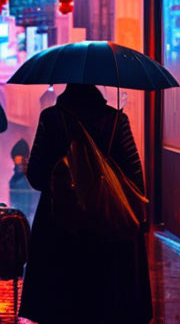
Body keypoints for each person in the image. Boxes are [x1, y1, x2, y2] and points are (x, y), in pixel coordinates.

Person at [19, 83, 152, 324]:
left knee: (62, 306)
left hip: (59, 225)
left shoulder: (50, 119)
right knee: (106, 303)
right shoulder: (116, 120)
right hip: (108, 226)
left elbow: (37, 177)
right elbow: (134, 176)